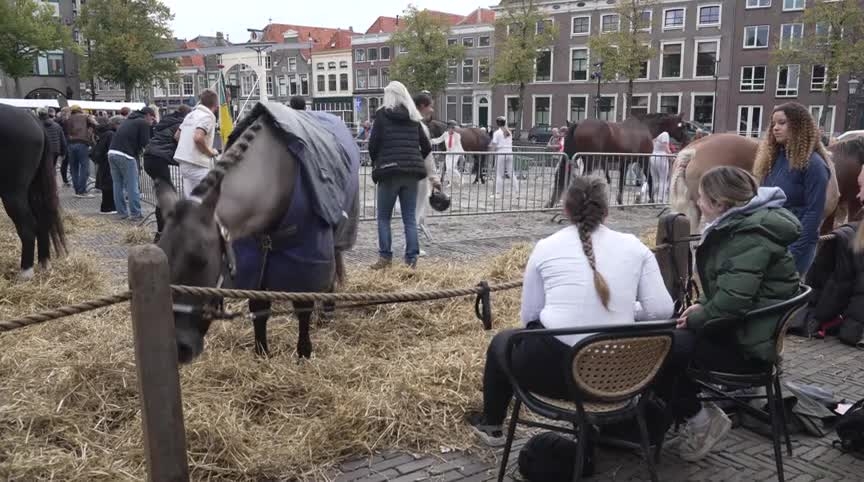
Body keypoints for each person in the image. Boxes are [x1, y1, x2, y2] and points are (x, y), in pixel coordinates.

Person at [466, 175, 675, 446]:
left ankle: (492, 425)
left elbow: (530, 317)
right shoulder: (636, 247)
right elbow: (662, 310)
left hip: (558, 375)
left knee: (501, 342)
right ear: (606, 211)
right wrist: (624, 310)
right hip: (624, 374)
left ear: (565, 210)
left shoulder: (545, 247)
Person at [662, 166, 801, 461]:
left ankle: (699, 420)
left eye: (701, 198)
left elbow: (732, 304)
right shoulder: (750, 226)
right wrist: (703, 308)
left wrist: (698, 316)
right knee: (668, 338)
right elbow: (733, 294)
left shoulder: (747, 237)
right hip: (751, 332)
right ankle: (683, 415)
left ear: (720, 204)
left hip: (746, 348)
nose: (697, 203)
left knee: (663, 349)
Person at [754, 102, 831, 275]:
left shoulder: (814, 165)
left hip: (794, 247)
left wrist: (793, 252)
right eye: (773, 124)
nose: (775, 128)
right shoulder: (772, 161)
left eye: (782, 123)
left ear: (798, 126)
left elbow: (814, 214)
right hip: (768, 243)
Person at [368, 81, 433, 269]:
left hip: (388, 171)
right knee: (409, 218)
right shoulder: (414, 117)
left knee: (383, 217)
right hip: (411, 173)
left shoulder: (381, 115)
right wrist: (413, 159)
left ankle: (385, 257)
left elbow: (373, 144)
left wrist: (377, 161)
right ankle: (411, 259)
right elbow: (427, 146)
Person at [143, 105, 191, 240]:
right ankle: (163, 234)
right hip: (157, 159)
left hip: (151, 158)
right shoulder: (180, 125)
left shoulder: (168, 121)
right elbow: (179, 140)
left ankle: (163, 232)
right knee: (168, 196)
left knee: (166, 195)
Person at [108, 107, 156, 220]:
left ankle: (122, 212)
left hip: (112, 152)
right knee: (132, 185)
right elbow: (146, 143)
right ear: (148, 115)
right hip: (126, 155)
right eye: (152, 118)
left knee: (117, 184)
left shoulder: (129, 120)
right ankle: (135, 213)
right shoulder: (143, 122)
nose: (153, 121)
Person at [413, 92, 443, 257]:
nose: (431, 110)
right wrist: (434, 178)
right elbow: (427, 155)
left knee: (408, 212)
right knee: (417, 211)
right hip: (419, 173)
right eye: (430, 106)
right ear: (422, 106)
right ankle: (412, 247)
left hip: (402, 173)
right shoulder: (420, 127)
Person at [174, 89, 220, 198]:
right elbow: (198, 138)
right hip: (198, 165)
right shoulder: (207, 117)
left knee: (191, 199)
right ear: (215, 105)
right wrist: (210, 152)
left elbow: (177, 136)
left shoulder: (190, 115)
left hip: (184, 163)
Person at [62, 105, 97, 197]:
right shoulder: (86, 117)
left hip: (70, 144)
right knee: (84, 168)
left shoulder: (67, 119)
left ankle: (77, 190)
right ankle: (82, 191)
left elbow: (65, 131)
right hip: (82, 143)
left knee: (74, 168)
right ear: (80, 110)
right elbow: (95, 125)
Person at [91, 116, 123, 214]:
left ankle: (107, 207)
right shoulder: (110, 134)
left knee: (107, 183)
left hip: (103, 161)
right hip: (107, 161)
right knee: (109, 184)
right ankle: (108, 207)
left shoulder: (105, 133)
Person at [489, 116, 518, 197]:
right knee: (511, 173)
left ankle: (498, 194)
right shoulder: (509, 132)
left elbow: (494, 145)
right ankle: (516, 192)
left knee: (499, 174)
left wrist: (491, 152)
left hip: (501, 153)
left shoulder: (497, 133)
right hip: (509, 152)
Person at [430, 120, 464, 185]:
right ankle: (450, 182)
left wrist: (462, 153)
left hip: (455, 153)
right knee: (448, 169)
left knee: (452, 168)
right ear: (448, 128)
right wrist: (430, 140)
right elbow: (438, 140)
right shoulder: (445, 134)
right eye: (452, 128)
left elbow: (459, 145)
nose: (453, 129)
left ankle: (460, 179)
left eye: (454, 128)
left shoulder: (457, 135)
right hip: (448, 153)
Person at [642, 131, 672, 203]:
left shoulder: (654, 134)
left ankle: (644, 193)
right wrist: (672, 156)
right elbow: (666, 148)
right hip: (661, 157)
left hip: (653, 156)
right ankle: (660, 200)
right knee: (663, 180)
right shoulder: (665, 134)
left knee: (655, 181)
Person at [36, 107, 66, 177]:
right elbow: (62, 140)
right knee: (52, 167)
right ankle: (52, 182)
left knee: (42, 168)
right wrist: (63, 153)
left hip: (43, 149)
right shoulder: (57, 125)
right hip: (55, 150)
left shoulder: (37, 125)